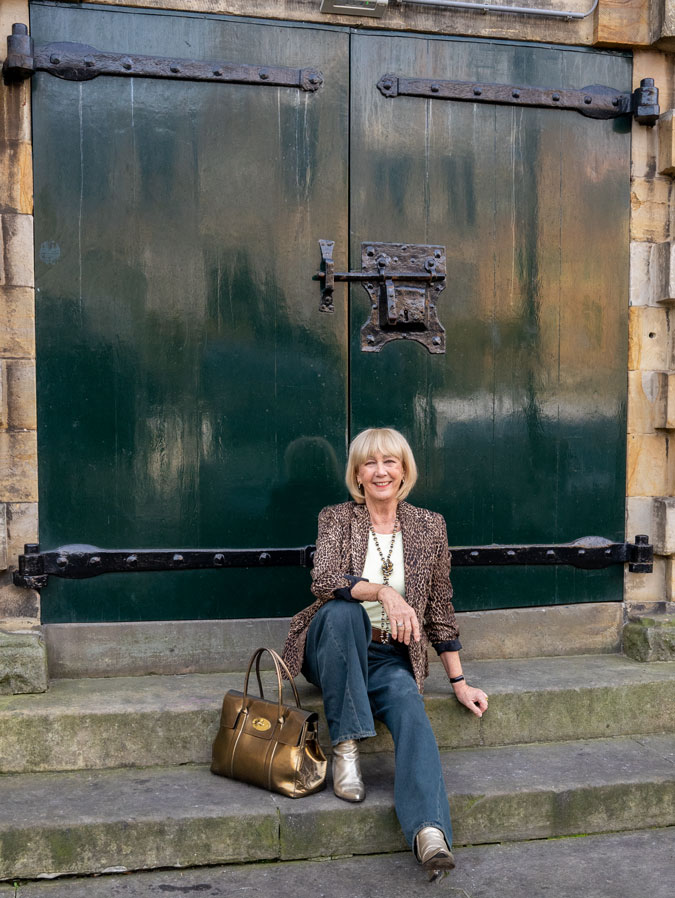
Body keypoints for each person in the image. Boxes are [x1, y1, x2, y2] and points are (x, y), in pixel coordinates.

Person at [282, 427, 488, 879]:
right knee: (344, 613)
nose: (380, 471)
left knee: (411, 708)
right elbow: (324, 580)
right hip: (331, 645)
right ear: (357, 473)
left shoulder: (429, 526)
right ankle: (347, 746)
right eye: (370, 463)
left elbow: (438, 608)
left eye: (390, 462)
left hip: (389, 656)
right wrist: (384, 594)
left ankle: (429, 832)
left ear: (403, 470)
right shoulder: (337, 518)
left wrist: (458, 681)